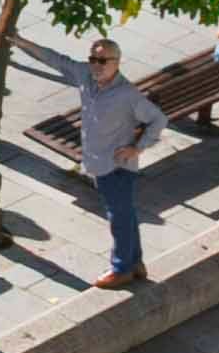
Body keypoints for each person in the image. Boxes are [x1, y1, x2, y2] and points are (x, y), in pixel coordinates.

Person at [69, 36, 166, 285]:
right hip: (100, 161)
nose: (96, 65)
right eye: (93, 59)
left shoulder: (127, 94)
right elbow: (57, 61)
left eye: (103, 60)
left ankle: (121, 269)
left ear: (117, 62)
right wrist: (20, 42)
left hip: (116, 166)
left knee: (119, 218)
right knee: (126, 214)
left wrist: (137, 148)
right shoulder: (86, 77)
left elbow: (158, 119)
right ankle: (135, 263)